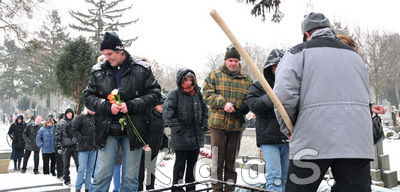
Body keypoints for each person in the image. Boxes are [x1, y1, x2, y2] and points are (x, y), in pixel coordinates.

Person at [272, 12, 385, 191]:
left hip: (312, 139)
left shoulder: (297, 53)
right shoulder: (355, 57)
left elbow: (283, 95)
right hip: (356, 141)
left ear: (306, 34)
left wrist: (289, 127)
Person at [84, 31, 161, 192]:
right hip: (107, 130)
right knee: (101, 176)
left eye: (110, 54)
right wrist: (107, 106)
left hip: (134, 129)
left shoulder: (142, 69)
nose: (107, 58)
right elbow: (88, 97)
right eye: (104, 54)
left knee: (131, 179)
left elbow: (155, 95)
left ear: (120, 51)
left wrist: (131, 105)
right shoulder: (97, 71)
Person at [203, 45, 252, 192]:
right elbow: (207, 94)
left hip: (236, 126)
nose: (233, 63)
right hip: (217, 125)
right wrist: (223, 103)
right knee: (217, 161)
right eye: (230, 60)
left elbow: (251, 98)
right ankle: (216, 189)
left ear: (239, 62)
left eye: (235, 61)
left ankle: (230, 189)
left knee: (231, 163)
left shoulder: (246, 79)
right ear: (225, 61)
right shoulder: (214, 75)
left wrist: (244, 107)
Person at [246, 49, 289, 192]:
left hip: (287, 137)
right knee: (275, 176)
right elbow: (252, 104)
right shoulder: (260, 85)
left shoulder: (291, 84)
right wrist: (271, 97)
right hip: (269, 138)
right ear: (270, 68)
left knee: (285, 176)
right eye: (276, 66)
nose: (279, 69)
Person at [163, 69, 208, 192]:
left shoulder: (198, 94)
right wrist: (178, 128)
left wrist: (204, 124)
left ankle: (191, 189)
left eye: (191, 80)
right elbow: (167, 114)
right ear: (180, 81)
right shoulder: (175, 94)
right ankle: (177, 190)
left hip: (195, 137)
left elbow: (205, 111)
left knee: (192, 167)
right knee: (180, 167)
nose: (189, 82)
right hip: (181, 138)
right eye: (186, 80)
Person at [138, 93, 166, 191]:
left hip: (155, 148)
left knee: (151, 171)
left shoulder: (162, 117)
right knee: (140, 172)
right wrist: (144, 143)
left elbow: (162, 133)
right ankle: (139, 189)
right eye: (161, 105)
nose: (162, 107)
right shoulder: (149, 115)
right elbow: (142, 130)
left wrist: (164, 143)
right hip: (145, 148)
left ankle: (151, 189)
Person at [71, 108, 97, 192]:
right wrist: (81, 138)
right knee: (81, 169)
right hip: (83, 148)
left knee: (90, 170)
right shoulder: (80, 117)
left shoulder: (96, 118)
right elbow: (74, 130)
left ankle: (88, 188)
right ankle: (78, 188)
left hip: (93, 148)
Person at [56, 108, 78, 185]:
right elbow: (58, 135)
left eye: (71, 113)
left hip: (75, 146)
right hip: (65, 147)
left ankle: (80, 178)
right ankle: (67, 179)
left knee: (78, 163)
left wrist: (78, 142)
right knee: (66, 165)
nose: (70, 114)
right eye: (68, 113)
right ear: (66, 114)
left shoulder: (75, 122)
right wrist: (59, 147)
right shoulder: (61, 123)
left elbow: (78, 133)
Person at [55, 113, 64, 180]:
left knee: (64, 161)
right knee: (59, 161)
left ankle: (64, 173)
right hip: (58, 145)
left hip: (65, 145)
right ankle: (59, 174)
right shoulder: (56, 126)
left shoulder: (67, 125)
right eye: (62, 118)